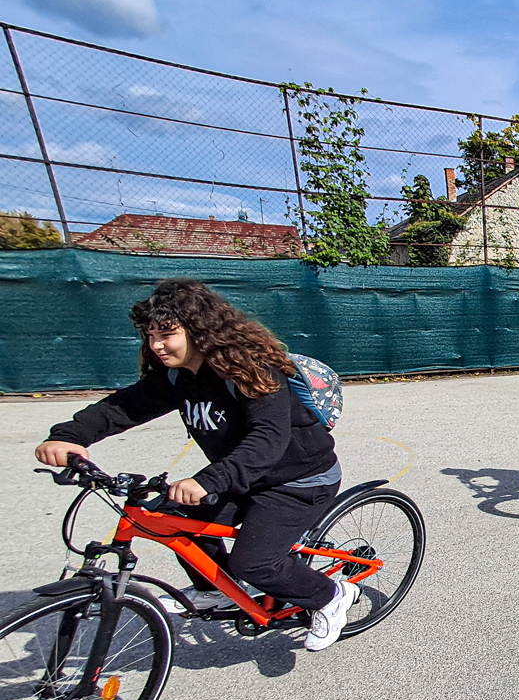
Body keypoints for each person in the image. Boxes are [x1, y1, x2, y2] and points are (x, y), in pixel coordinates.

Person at [35, 279, 355, 652]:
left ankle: (331, 596)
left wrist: (209, 480)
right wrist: (70, 436)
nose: (156, 344)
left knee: (254, 563)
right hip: (243, 476)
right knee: (171, 517)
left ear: (199, 330)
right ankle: (216, 589)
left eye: (166, 334)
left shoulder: (250, 369)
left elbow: (268, 438)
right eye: (150, 335)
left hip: (298, 480)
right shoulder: (177, 375)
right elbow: (124, 407)